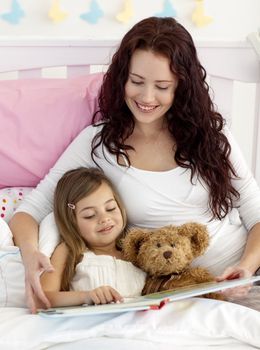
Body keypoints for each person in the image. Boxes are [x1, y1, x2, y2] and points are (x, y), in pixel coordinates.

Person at [9, 16, 260, 313]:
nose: (147, 97)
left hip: (238, 283)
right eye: (137, 82)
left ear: (182, 86)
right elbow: (29, 210)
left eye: (162, 86)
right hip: (168, 297)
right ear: (122, 78)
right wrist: (31, 256)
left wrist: (245, 267)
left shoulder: (212, 138)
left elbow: (254, 212)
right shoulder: (100, 144)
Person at [39, 167, 146, 308]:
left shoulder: (136, 252)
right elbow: (42, 298)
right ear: (72, 221)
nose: (105, 218)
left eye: (111, 208)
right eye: (90, 215)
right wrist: (87, 296)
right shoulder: (69, 251)